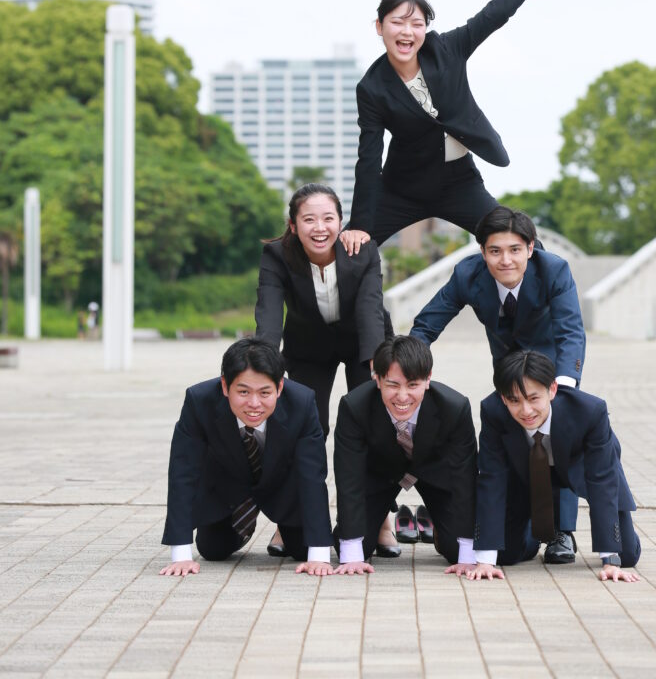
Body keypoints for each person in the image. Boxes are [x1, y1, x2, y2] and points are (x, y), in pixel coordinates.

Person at [340, 0, 580, 254]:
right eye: (397, 23)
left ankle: (552, 303)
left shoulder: (447, 50)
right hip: (401, 189)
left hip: (459, 184)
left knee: (521, 245)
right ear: (379, 27)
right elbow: (368, 158)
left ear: (425, 29)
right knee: (347, 255)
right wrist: (358, 224)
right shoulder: (371, 88)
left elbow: (494, 14)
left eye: (416, 24)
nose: (407, 32)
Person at [410, 205, 586, 563]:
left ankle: (562, 533)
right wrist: (407, 368)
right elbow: (428, 323)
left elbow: (571, 330)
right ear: (482, 252)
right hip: (505, 368)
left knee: (556, 440)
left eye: (514, 250)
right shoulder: (467, 275)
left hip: (551, 369)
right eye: (495, 251)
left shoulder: (555, 270)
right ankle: (503, 519)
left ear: (531, 248)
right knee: (503, 439)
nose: (505, 260)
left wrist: (565, 387)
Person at [255, 183, 398, 556]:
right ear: (292, 225)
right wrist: (263, 367)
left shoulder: (361, 249)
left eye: (328, 218)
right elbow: (269, 316)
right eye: (309, 219)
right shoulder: (276, 255)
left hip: (362, 344)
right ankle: (289, 521)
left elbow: (370, 307)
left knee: (369, 423)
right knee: (304, 427)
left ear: (340, 221)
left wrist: (374, 368)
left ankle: (381, 517)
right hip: (307, 348)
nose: (319, 228)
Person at [453, 350, 640, 584]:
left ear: (552, 390)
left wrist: (610, 561)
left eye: (533, 398)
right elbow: (492, 479)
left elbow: (602, 481)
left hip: (582, 467)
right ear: (502, 398)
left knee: (627, 554)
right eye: (514, 400)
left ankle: (615, 538)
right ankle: (533, 533)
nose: (526, 411)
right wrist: (485, 561)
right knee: (506, 555)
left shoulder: (590, 411)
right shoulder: (493, 411)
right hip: (526, 472)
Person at [159, 338, 334, 578]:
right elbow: (183, 472)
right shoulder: (199, 402)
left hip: (283, 487)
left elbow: (312, 476)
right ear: (224, 386)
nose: (254, 404)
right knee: (213, 549)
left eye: (265, 393)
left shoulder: (302, 403)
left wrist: (320, 557)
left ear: (280, 388)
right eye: (243, 392)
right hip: (228, 488)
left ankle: (285, 532)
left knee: (303, 549)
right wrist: (180, 556)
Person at [332, 335, 478, 574]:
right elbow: (349, 477)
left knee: (457, 550)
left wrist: (467, 555)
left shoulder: (455, 407)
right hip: (381, 473)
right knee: (354, 547)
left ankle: (441, 526)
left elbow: (465, 478)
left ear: (428, 379)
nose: (402, 397)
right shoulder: (354, 407)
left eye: (413, 385)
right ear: (377, 379)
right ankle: (379, 523)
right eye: (392, 385)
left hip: (435, 472)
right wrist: (351, 554)